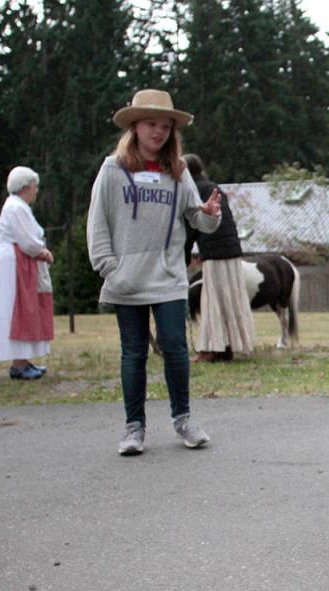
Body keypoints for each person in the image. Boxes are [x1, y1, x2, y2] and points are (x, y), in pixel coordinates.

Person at [86, 89, 221, 456]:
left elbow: (198, 218)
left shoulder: (177, 171)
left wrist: (209, 214)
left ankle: (183, 420)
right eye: (151, 124)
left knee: (176, 348)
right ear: (134, 127)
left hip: (168, 279)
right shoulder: (112, 169)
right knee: (134, 353)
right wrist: (109, 268)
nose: (158, 132)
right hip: (125, 279)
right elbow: (97, 223)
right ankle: (134, 429)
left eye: (165, 126)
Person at [182, 153, 254, 362]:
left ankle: (212, 349)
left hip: (214, 253)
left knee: (213, 300)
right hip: (231, 250)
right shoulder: (213, 187)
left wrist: (184, 255)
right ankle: (228, 345)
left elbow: (192, 227)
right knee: (231, 298)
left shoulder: (195, 190)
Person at [0, 166, 54, 380]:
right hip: (15, 265)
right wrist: (42, 251)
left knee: (25, 309)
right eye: (35, 187)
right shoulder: (16, 207)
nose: (37, 191)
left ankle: (23, 360)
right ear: (26, 187)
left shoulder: (17, 206)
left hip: (19, 262)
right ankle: (19, 363)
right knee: (19, 309)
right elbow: (28, 240)